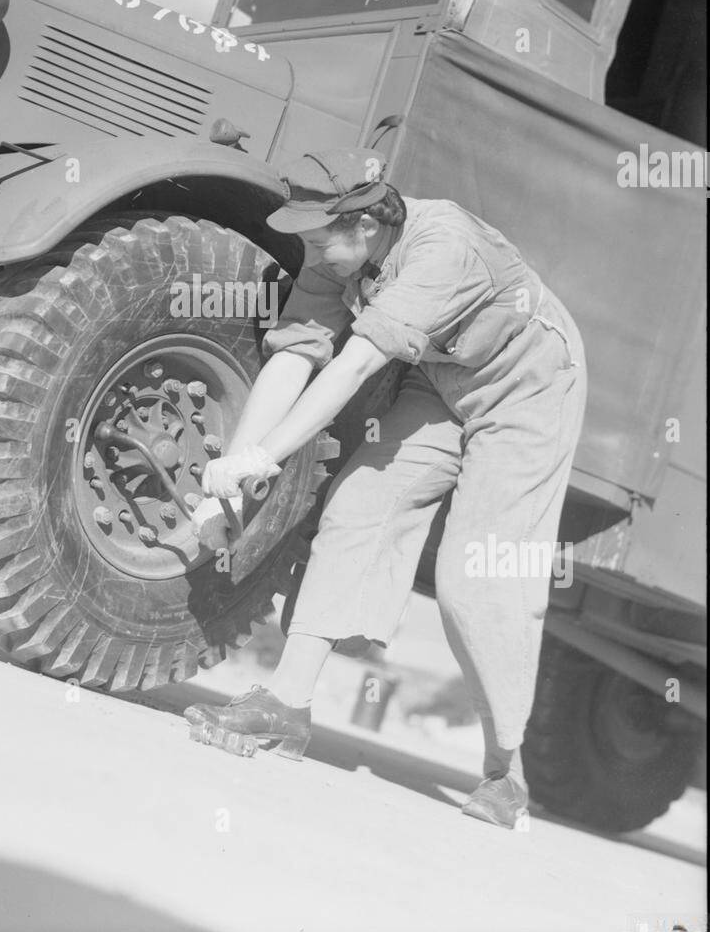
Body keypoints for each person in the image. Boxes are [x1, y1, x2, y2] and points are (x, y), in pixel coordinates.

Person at [184, 148, 587, 829]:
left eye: (320, 239)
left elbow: (354, 364)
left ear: (369, 224)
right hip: (444, 381)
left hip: (528, 387)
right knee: (358, 507)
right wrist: (230, 486)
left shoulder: (443, 246)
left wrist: (264, 458)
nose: (310, 252)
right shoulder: (334, 247)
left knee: (473, 577)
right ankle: (286, 705)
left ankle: (504, 770)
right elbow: (296, 356)